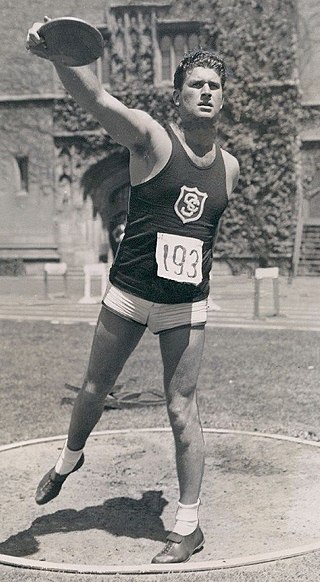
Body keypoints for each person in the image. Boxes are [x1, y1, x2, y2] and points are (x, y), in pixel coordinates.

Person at [26, 18, 240, 564]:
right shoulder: (149, 137)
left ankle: (188, 527)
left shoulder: (230, 169)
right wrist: (58, 57)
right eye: (196, 84)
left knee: (181, 408)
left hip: (185, 303)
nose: (207, 92)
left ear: (224, 97)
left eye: (215, 86)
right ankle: (69, 459)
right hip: (129, 292)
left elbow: (200, 237)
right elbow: (95, 97)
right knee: (95, 390)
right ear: (179, 95)